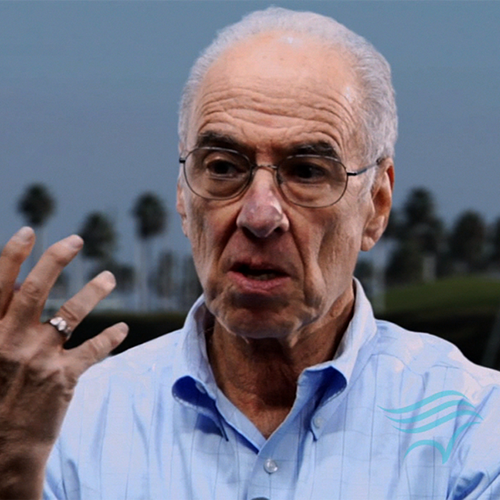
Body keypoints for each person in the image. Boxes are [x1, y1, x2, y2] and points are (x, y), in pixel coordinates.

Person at [1, 7, 499, 499]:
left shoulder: (473, 426)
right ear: (183, 195)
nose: (259, 215)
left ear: (376, 205)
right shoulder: (59, 427)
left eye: (306, 171)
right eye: (223, 167)